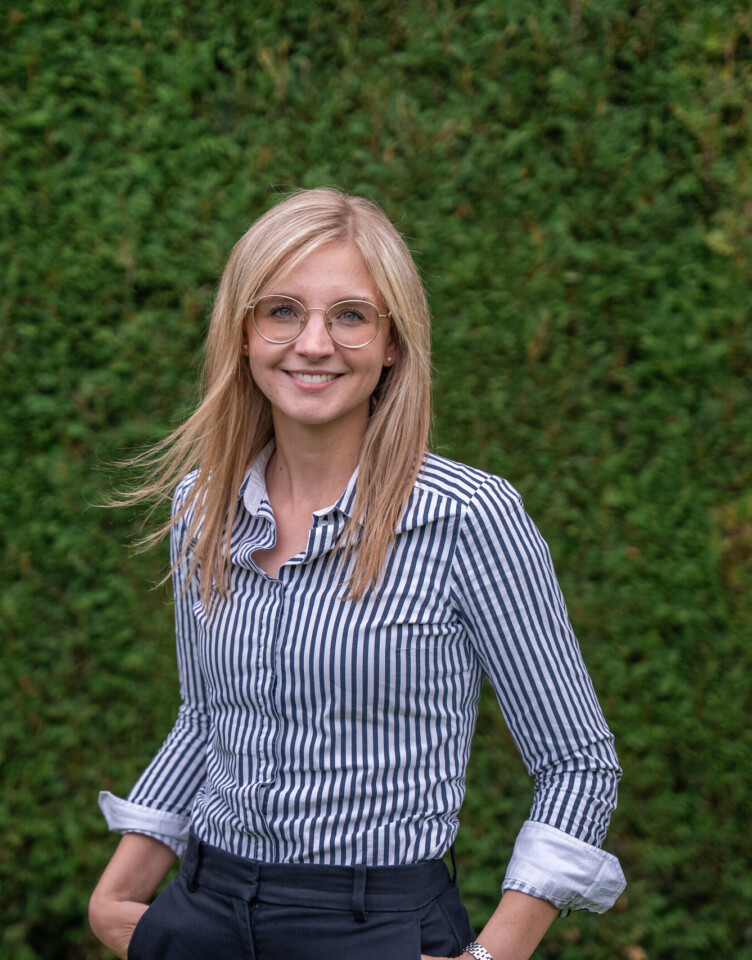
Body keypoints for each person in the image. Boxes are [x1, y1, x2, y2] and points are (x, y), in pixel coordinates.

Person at [88, 187, 626, 960]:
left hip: (372, 924)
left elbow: (577, 763)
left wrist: (490, 956)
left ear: (392, 344)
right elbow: (205, 718)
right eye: (281, 311)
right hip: (203, 913)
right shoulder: (203, 504)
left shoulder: (469, 517)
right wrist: (117, 899)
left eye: (349, 315)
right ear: (242, 335)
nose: (313, 343)